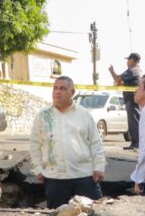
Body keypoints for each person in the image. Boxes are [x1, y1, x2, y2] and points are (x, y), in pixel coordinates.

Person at [30, 76, 106, 209]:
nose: (58, 92)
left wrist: (99, 166)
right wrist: (38, 168)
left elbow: (95, 142)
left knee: (97, 214)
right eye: (55, 88)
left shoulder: (84, 114)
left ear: (72, 92)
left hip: (84, 175)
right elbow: (35, 144)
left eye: (63, 88)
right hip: (55, 177)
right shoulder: (43, 115)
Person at [108, 53, 143, 150]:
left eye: (128, 60)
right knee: (133, 121)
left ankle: (136, 143)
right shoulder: (136, 70)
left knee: (134, 122)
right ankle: (135, 143)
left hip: (132, 100)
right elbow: (121, 82)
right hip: (132, 99)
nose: (127, 62)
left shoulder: (133, 70)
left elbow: (118, 79)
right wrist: (119, 82)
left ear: (133, 60)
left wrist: (112, 71)